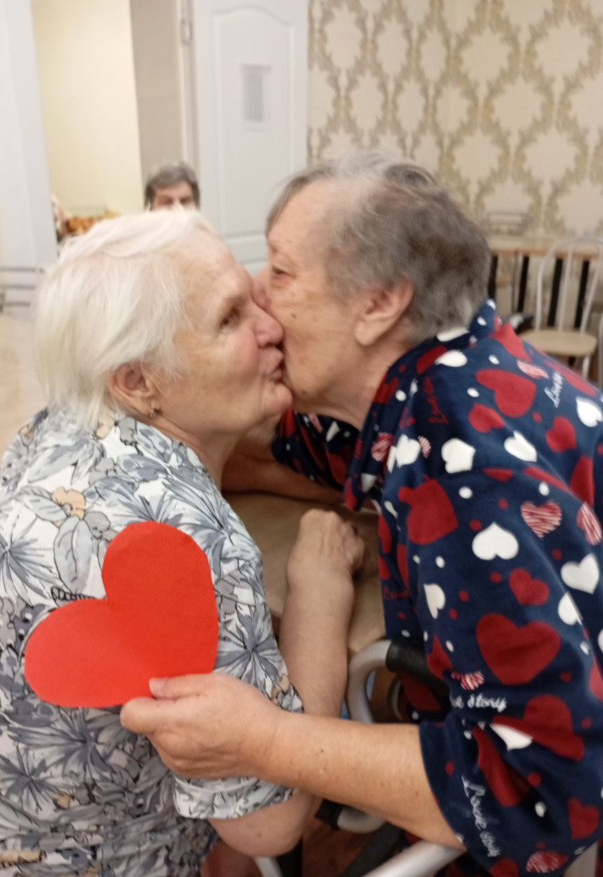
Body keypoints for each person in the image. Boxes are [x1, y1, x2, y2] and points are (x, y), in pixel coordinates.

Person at [121, 153, 603, 876]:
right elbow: (301, 449)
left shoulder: (460, 465)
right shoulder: (451, 371)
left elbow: (543, 793)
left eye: (281, 271)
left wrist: (266, 739)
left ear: (379, 303)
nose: (257, 290)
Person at [0, 209, 364, 876]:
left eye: (253, 297)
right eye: (230, 319)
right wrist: (320, 586)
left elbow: (223, 461)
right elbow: (270, 822)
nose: (270, 326)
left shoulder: (61, 422)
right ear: (138, 380)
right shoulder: (186, 537)